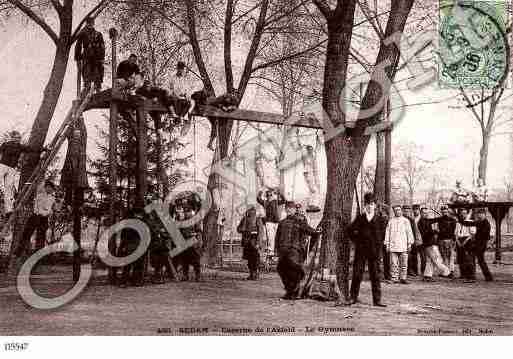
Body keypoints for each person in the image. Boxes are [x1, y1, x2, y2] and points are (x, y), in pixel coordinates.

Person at [275, 201, 320, 300]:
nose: (288, 210)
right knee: (281, 270)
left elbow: (311, 232)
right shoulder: (282, 223)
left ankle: (294, 292)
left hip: (294, 251)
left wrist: (316, 233)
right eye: (287, 208)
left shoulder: (300, 222)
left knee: (294, 271)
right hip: (283, 251)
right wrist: (276, 250)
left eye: (291, 208)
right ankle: (289, 290)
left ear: (295, 209)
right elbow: (277, 237)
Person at [347, 193, 387, 307]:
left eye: (372, 204)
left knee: (375, 275)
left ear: (375, 205)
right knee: (357, 274)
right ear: (365, 206)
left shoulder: (381, 219)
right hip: (361, 251)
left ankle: (377, 300)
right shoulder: (360, 218)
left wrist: (378, 247)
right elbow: (350, 230)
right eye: (367, 204)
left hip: (374, 252)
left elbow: (383, 235)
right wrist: (357, 241)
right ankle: (353, 297)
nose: (369, 206)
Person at [0, 131, 43, 215]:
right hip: (2, 166)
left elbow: (31, 149)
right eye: (16, 137)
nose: (17, 139)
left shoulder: (20, 147)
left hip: (12, 169)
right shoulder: (6, 144)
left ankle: (8, 210)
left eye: (19, 138)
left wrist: (43, 149)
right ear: (12, 137)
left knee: (9, 188)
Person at [16, 180, 56, 256]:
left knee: (41, 237)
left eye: (51, 188)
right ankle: (19, 251)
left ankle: (38, 255)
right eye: (47, 187)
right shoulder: (39, 196)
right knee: (27, 233)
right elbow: (37, 207)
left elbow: (48, 210)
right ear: (46, 187)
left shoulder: (52, 198)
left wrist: (45, 212)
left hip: (44, 218)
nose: (49, 189)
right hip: (35, 216)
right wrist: (41, 212)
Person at [417, 207, 451, 282]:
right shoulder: (421, 222)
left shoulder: (426, 220)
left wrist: (443, 216)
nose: (426, 214)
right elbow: (425, 233)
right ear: (421, 213)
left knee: (430, 260)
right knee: (437, 259)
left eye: (427, 213)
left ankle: (427, 276)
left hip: (430, 243)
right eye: (424, 213)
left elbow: (435, 220)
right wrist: (435, 231)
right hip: (429, 244)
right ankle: (447, 272)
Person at [460, 208, 493, 281]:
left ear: (484, 215)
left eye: (481, 214)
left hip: (481, 245)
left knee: (471, 258)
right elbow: (470, 223)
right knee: (480, 261)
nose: (479, 215)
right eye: (478, 214)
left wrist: (475, 238)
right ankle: (488, 277)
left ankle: (471, 276)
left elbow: (484, 236)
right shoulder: (480, 222)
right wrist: (461, 221)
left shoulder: (485, 223)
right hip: (478, 244)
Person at [384, 205, 414, 284]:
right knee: (393, 264)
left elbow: (409, 233)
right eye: (396, 210)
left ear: (401, 211)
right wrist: (387, 244)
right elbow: (387, 233)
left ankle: (403, 278)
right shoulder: (391, 221)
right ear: (394, 211)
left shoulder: (406, 221)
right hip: (393, 245)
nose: (398, 211)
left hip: (403, 245)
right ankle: (394, 278)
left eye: (399, 210)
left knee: (404, 263)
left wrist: (409, 244)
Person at [173, 202, 203, 281]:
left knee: (195, 259)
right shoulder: (181, 219)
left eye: (187, 211)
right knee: (184, 259)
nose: (186, 213)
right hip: (183, 241)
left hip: (192, 241)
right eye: (184, 211)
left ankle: (198, 275)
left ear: (190, 211)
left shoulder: (194, 219)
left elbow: (199, 230)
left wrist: (199, 240)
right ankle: (185, 275)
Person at [74, 17, 105, 94]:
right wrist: (78, 57)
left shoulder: (98, 34)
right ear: (86, 23)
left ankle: (98, 89)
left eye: (91, 23)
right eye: (89, 23)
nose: (90, 24)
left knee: (97, 72)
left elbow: (102, 46)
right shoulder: (82, 33)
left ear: (93, 23)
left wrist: (102, 57)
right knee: (86, 72)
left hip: (97, 56)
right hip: (87, 55)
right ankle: (87, 87)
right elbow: (78, 45)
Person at [119, 208, 147, 287]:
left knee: (138, 265)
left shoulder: (142, 224)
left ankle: (135, 281)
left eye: (140, 215)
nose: (138, 216)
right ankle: (124, 281)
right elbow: (124, 236)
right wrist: (123, 246)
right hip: (130, 246)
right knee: (128, 264)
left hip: (138, 246)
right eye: (137, 214)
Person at [237, 205, 266, 280]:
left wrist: (258, 243)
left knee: (255, 259)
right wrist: (243, 227)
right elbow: (239, 229)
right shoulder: (244, 219)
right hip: (247, 241)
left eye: (252, 211)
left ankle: (256, 274)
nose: (251, 212)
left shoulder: (257, 219)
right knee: (249, 259)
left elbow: (260, 232)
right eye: (249, 211)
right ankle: (251, 274)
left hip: (254, 240)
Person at [169, 61, 197, 136]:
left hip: (183, 97)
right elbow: (171, 89)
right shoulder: (173, 77)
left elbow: (187, 89)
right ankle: (177, 119)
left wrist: (187, 95)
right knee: (177, 102)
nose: (181, 70)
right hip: (175, 96)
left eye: (182, 69)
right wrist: (176, 94)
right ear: (177, 68)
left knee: (189, 103)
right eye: (180, 68)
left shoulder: (184, 79)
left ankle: (182, 117)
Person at [454, 208, 477, 283]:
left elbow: (472, 234)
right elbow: (456, 234)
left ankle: (471, 276)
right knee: (461, 259)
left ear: (467, 214)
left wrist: (465, 241)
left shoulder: (470, 222)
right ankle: (463, 274)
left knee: (469, 258)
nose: (462, 215)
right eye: (461, 213)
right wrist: (458, 242)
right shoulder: (458, 223)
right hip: (459, 240)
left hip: (467, 240)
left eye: (464, 213)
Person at [437, 205, 457, 277]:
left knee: (450, 256)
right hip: (441, 240)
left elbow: (454, 231)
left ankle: (451, 271)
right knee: (443, 256)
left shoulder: (452, 220)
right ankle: (446, 271)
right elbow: (438, 230)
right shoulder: (439, 220)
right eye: (442, 211)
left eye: (445, 211)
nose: (444, 212)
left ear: (448, 211)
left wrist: (453, 240)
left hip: (449, 240)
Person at [403, 205, 420, 277]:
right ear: (402, 211)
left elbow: (414, 231)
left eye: (407, 211)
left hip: (411, 240)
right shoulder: (401, 219)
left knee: (414, 256)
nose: (406, 212)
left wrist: (414, 240)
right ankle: (407, 270)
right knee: (406, 256)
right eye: (405, 211)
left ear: (409, 211)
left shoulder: (411, 220)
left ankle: (415, 271)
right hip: (403, 240)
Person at [412, 204, 426, 274]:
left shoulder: (422, 219)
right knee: (414, 256)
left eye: (417, 209)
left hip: (422, 239)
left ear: (419, 210)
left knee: (423, 256)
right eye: (414, 210)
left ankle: (423, 271)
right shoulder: (412, 219)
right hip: (414, 240)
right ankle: (415, 271)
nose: (415, 211)